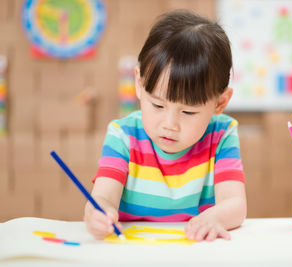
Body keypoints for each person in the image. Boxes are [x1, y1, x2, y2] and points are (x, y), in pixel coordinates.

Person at [84, 10, 246, 242]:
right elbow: (103, 197)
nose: (169, 125)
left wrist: (216, 217)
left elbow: (235, 204)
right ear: (139, 85)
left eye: (188, 111)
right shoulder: (123, 136)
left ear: (220, 103)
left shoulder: (222, 135)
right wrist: (98, 213)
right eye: (157, 106)